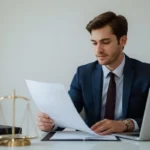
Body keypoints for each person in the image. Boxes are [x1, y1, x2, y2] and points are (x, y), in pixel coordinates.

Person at [37, 11, 150, 135]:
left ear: (122, 41)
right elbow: (67, 114)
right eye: (94, 43)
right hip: (91, 143)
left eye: (105, 42)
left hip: (133, 144)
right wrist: (51, 123)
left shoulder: (145, 73)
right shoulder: (83, 74)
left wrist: (125, 124)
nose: (98, 50)